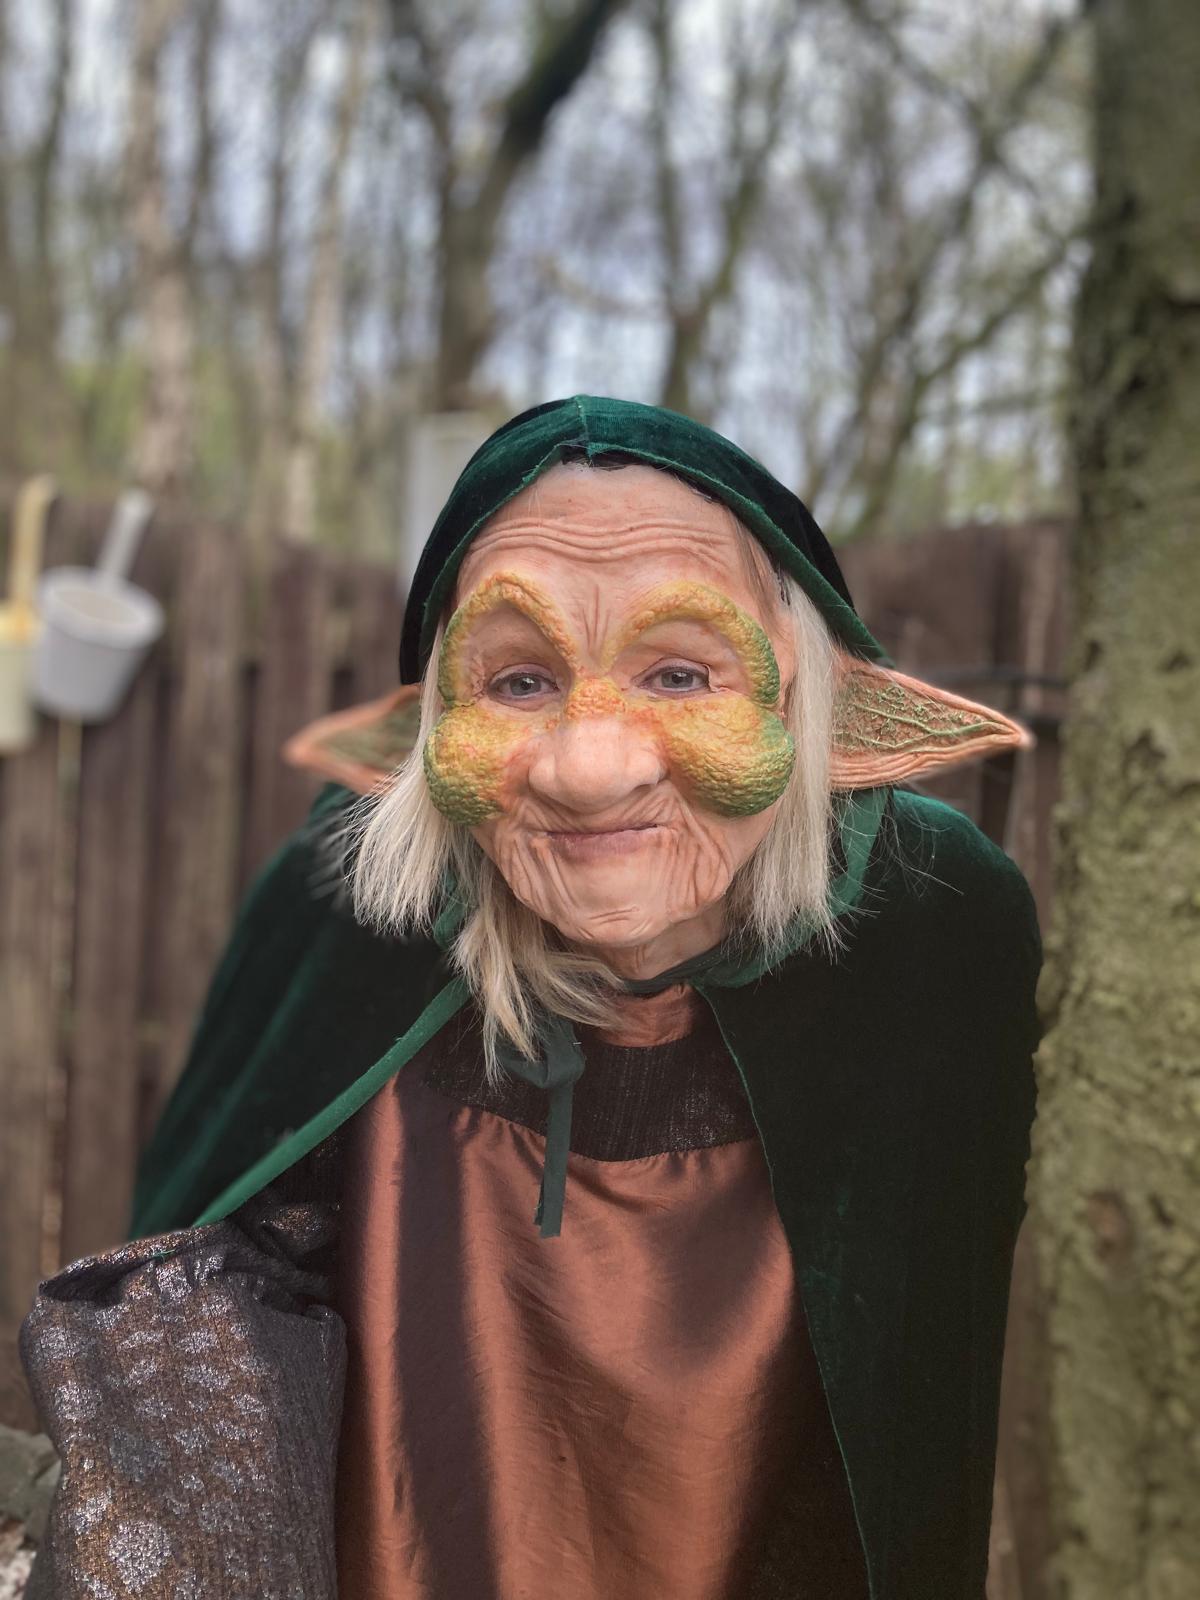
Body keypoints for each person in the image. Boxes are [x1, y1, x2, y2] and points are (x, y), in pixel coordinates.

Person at [21, 396, 1041, 1600]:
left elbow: (917, 1393)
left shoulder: (931, 924)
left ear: (803, 697)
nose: (589, 769)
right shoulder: (350, 899)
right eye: (517, 680)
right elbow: (200, 1332)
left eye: (679, 672)